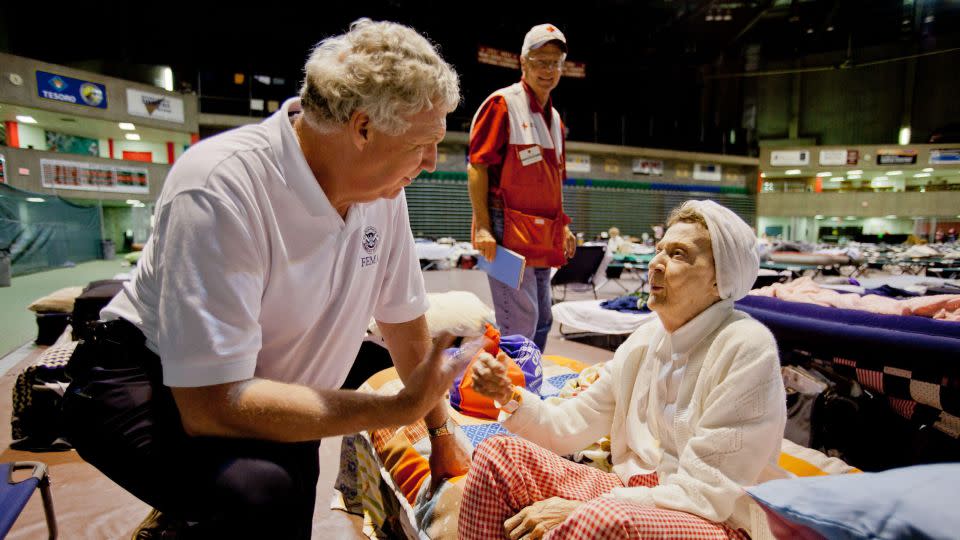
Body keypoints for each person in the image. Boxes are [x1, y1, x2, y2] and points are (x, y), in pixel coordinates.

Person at [61, 19, 470, 539]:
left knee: (288, 500)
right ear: (362, 128)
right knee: (261, 495)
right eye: (424, 142)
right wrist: (394, 408)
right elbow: (211, 405)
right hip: (147, 378)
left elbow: (406, 325)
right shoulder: (220, 187)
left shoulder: (384, 195)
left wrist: (441, 432)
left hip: (264, 381)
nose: (432, 162)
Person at [460, 200, 787, 539]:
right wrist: (508, 395)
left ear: (722, 279)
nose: (656, 264)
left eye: (678, 255)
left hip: (715, 519)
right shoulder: (644, 341)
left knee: (605, 520)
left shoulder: (745, 347)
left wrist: (588, 507)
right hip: (628, 493)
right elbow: (566, 427)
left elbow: (706, 493)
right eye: (659, 250)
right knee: (499, 456)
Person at [467, 23, 577, 353]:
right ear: (523, 63)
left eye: (554, 62)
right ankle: (509, 392)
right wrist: (484, 228)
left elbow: (554, 181)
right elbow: (477, 168)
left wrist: (564, 227)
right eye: (541, 61)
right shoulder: (502, 105)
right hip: (503, 230)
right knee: (520, 322)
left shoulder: (555, 119)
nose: (548, 70)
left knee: (543, 318)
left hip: (542, 233)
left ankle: (529, 384)